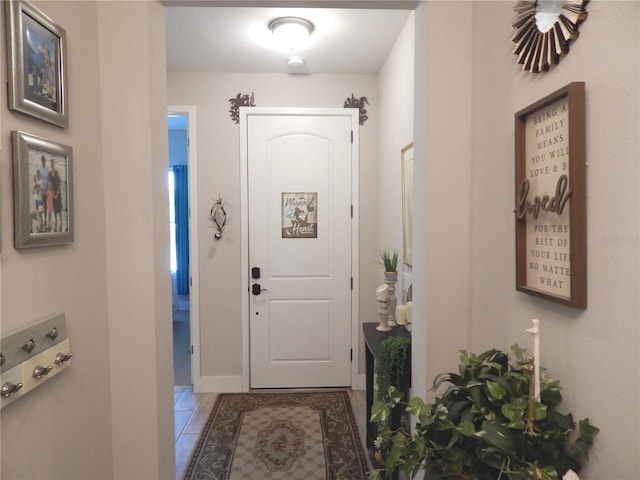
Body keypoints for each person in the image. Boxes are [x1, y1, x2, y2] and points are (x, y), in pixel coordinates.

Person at [49, 159, 63, 232]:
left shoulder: (57, 172)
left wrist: (57, 191)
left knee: (59, 207)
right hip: (53, 192)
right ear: (50, 164)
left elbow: (60, 181)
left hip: (58, 191)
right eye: (51, 164)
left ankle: (61, 221)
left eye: (53, 164)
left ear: (54, 164)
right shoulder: (50, 173)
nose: (52, 165)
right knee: (54, 207)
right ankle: (56, 222)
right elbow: (50, 183)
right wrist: (53, 192)